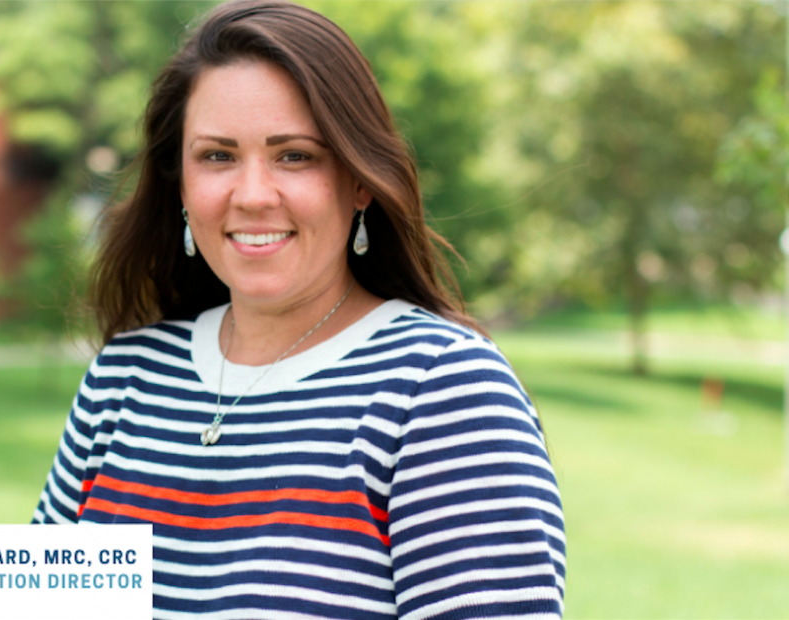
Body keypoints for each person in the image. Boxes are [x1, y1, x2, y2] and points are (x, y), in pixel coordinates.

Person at [33, 1, 566, 618]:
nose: (254, 195)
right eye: (217, 156)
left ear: (360, 179)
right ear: (179, 182)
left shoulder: (442, 392)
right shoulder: (124, 378)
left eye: (295, 156)